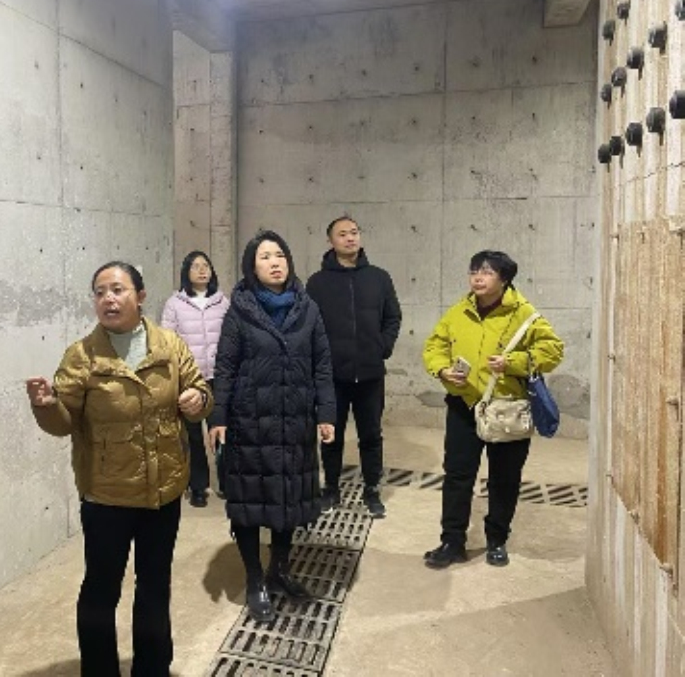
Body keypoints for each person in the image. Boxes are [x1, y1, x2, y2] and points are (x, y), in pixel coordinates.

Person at [25, 262, 212, 677]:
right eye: (100, 292)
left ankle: (152, 669)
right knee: (101, 589)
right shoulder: (82, 355)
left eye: (117, 289)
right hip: (106, 494)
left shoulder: (169, 345)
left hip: (163, 491)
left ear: (140, 296)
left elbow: (199, 388)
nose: (108, 299)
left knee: (154, 587)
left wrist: (199, 399)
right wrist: (47, 406)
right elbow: (63, 422)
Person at [208, 231, 336, 623]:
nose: (274, 262)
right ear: (252, 266)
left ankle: (279, 569)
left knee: (288, 499)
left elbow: (322, 364)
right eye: (264, 257)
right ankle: (254, 579)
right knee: (249, 502)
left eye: (279, 254)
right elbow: (225, 367)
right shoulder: (240, 310)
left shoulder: (308, 308)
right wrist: (218, 416)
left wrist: (326, 413)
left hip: (295, 421)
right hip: (251, 422)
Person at [421, 250, 564, 569]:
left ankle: (496, 540)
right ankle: (452, 541)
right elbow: (435, 345)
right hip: (464, 405)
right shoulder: (459, 311)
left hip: (507, 408)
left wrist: (513, 363)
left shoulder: (524, 313)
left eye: (486, 272)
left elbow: (553, 350)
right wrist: (443, 370)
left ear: (504, 279)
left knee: (504, 478)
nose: (478, 278)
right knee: (457, 475)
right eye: (474, 271)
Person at [306, 215, 401, 518]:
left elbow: (393, 317)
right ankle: (331, 488)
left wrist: (382, 347)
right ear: (331, 241)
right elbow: (310, 325)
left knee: (371, 435)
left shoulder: (379, 278)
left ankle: (372, 489)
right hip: (332, 376)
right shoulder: (317, 283)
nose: (350, 238)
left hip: (371, 374)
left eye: (354, 232)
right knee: (330, 434)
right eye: (343, 234)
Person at [161, 250, 230, 507]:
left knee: (222, 430)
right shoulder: (175, 304)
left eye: (206, 266)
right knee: (192, 436)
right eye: (195, 266)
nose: (202, 270)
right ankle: (198, 486)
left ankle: (227, 482)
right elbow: (168, 341)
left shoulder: (222, 302)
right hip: (189, 379)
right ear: (186, 273)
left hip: (219, 377)